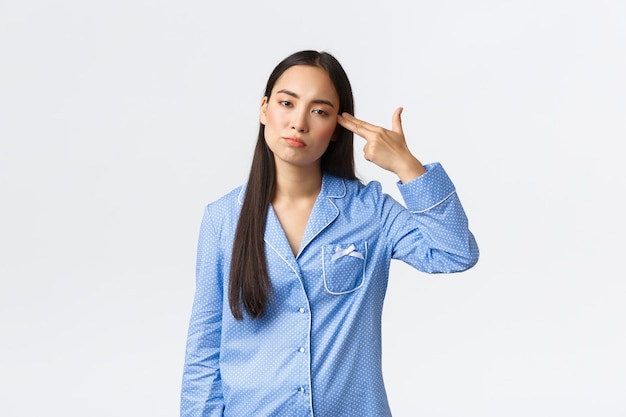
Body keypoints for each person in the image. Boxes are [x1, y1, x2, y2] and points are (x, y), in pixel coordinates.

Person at [180, 49, 479, 417]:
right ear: (264, 110)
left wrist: (406, 166)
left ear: (337, 128)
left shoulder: (369, 211)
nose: (298, 122)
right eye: (286, 103)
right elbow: (204, 350)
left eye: (319, 111)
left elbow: (455, 253)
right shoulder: (223, 219)